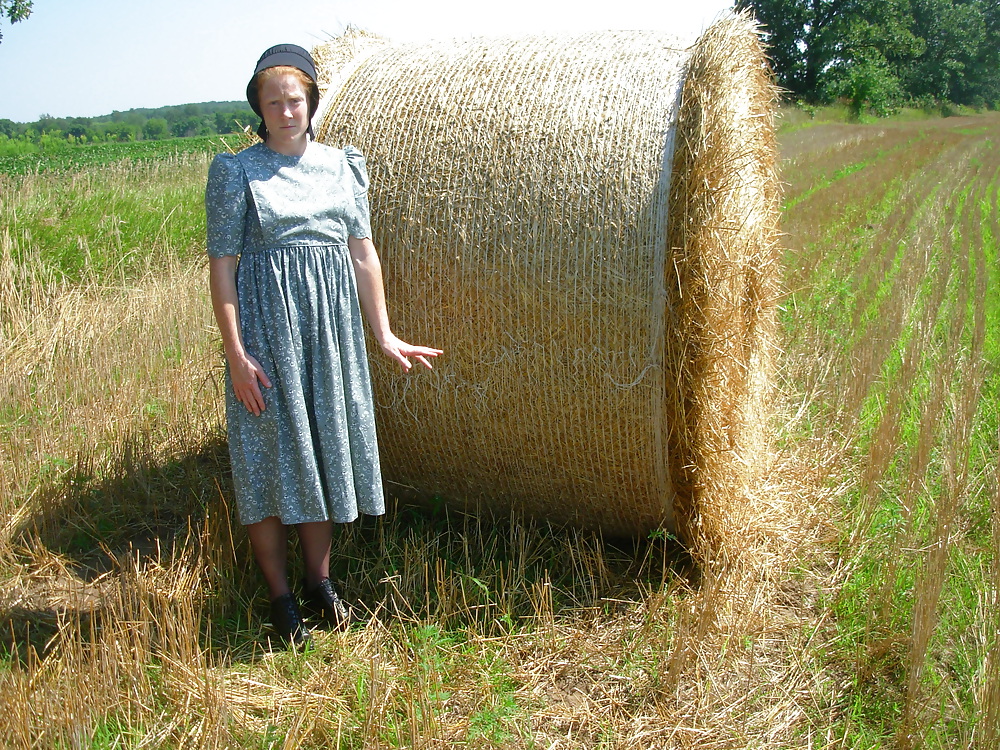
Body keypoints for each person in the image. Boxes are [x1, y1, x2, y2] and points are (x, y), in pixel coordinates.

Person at [205, 43, 442, 647]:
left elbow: (364, 256)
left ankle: (319, 582)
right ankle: (279, 597)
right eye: (274, 101)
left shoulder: (343, 165)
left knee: (319, 450)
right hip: (266, 336)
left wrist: (383, 334)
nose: (287, 111)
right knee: (266, 460)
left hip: (330, 336)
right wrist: (236, 354)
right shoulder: (237, 172)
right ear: (259, 107)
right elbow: (223, 268)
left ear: (311, 101)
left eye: (296, 99)